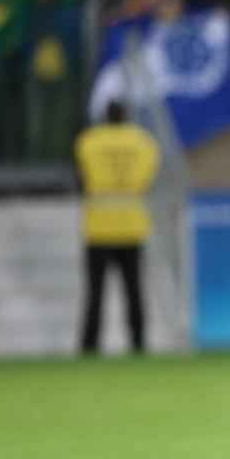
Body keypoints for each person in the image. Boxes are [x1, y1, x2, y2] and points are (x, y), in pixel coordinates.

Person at [74, 100, 161, 354]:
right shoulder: (143, 142)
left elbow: (82, 179)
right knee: (134, 291)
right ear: (126, 116)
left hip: (98, 228)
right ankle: (138, 343)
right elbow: (148, 180)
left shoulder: (88, 142)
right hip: (132, 226)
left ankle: (89, 346)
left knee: (95, 293)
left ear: (105, 117)